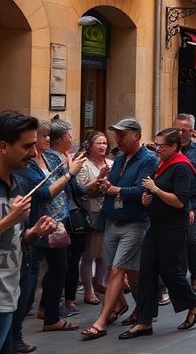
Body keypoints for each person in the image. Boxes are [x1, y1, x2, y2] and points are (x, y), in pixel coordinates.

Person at [117, 129, 196, 339]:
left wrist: (155, 190)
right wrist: (146, 199)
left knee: (169, 271)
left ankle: (195, 305)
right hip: (156, 226)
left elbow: (180, 201)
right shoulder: (162, 164)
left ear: (174, 146)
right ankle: (144, 322)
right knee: (146, 271)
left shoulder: (182, 167)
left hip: (173, 227)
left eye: (161, 145)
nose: (157, 149)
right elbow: (154, 192)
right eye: (156, 144)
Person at [81, 118, 158, 340]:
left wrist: (115, 189)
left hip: (134, 224)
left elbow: (141, 188)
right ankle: (141, 311)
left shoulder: (148, 159)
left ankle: (102, 320)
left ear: (137, 135)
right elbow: (113, 186)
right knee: (131, 273)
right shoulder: (120, 158)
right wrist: (102, 184)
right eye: (117, 135)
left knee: (117, 270)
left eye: (122, 135)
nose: (118, 140)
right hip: (112, 222)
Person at [16, 118, 85, 332]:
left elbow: (70, 187)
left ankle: (50, 314)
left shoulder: (50, 157)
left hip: (57, 223)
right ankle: (16, 333)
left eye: (48, 135)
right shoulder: (23, 165)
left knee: (59, 268)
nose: (48, 139)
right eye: (44, 136)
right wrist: (70, 172)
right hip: (36, 225)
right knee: (28, 279)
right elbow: (44, 194)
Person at [0, 113, 57, 348]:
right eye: (27, 146)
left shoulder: (20, 185)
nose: (34, 153)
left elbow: (15, 238)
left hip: (11, 296)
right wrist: (9, 220)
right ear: (4, 147)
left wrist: (34, 233)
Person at [75, 131, 112, 306]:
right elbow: (82, 191)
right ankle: (88, 290)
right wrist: (100, 178)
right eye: (99, 143)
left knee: (104, 255)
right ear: (89, 146)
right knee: (89, 254)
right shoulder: (84, 165)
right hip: (90, 214)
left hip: (108, 214)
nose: (103, 146)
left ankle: (101, 283)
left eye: (105, 143)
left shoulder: (111, 163)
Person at [173, 113, 196, 293]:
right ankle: (178, 276)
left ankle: (195, 275)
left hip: (193, 200)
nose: (179, 132)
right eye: (176, 128)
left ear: (191, 131)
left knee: (191, 239)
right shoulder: (169, 146)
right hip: (174, 199)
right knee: (177, 239)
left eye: (182, 130)